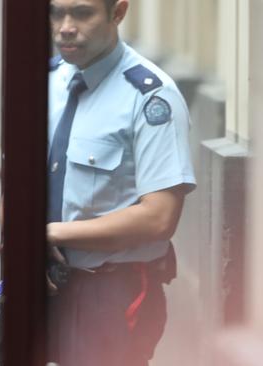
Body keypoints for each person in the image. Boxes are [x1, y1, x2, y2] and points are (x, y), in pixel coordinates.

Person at [46, 0, 196, 365]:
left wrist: (49, 235)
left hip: (108, 290)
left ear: (118, 13)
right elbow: (14, 186)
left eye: (82, 13)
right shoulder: (48, 81)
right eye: (55, 12)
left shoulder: (150, 97)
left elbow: (159, 218)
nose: (65, 26)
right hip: (42, 281)